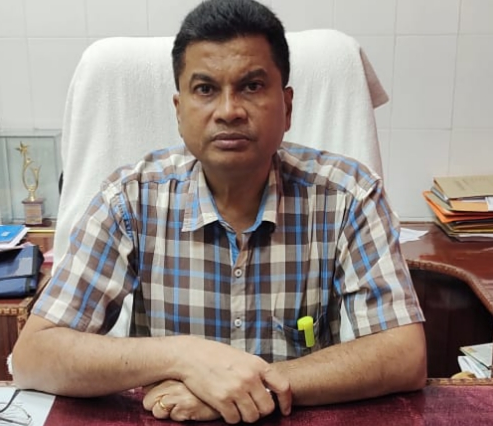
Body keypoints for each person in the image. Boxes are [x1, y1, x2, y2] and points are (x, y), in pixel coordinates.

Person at [12, 0, 427, 423]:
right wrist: (184, 357)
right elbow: (34, 356)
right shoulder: (129, 200)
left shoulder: (348, 195)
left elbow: (404, 354)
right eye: (206, 89)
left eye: (252, 86)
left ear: (287, 107)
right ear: (179, 111)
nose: (229, 110)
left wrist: (245, 389)